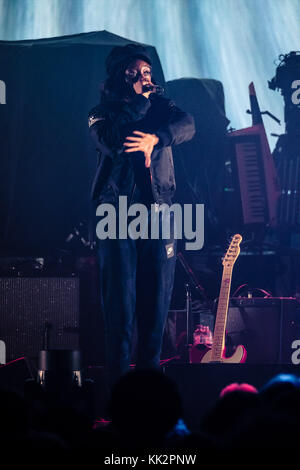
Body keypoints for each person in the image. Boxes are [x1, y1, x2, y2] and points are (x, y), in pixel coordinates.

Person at [88, 43, 195, 386]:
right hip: (116, 217)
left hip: (160, 216)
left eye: (149, 72)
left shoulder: (163, 109)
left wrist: (157, 138)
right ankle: (116, 402)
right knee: (120, 313)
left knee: (155, 313)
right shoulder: (101, 113)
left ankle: (149, 399)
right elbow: (112, 142)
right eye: (137, 72)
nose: (145, 78)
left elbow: (188, 125)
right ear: (123, 76)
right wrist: (139, 103)